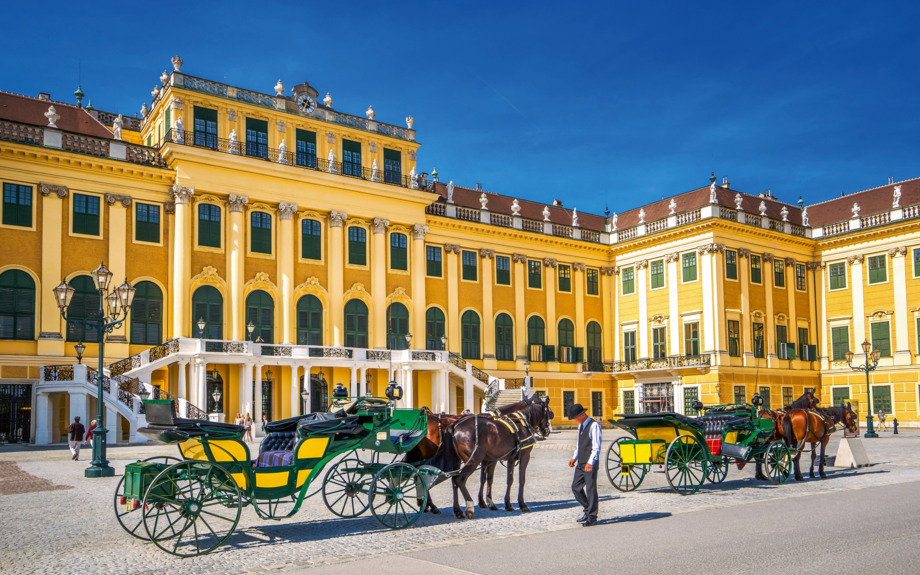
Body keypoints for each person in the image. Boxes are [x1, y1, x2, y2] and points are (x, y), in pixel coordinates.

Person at [567, 403, 601, 527]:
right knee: (575, 487)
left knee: (591, 490)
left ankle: (592, 517)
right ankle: (587, 509)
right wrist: (574, 457)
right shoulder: (580, 427)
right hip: (581, 463)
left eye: (575, 417)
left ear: (582, 415)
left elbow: (596, 447)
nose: (575, 420)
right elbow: (579, 444)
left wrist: (591, 462)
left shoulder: (594, 426)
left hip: (590, 463)